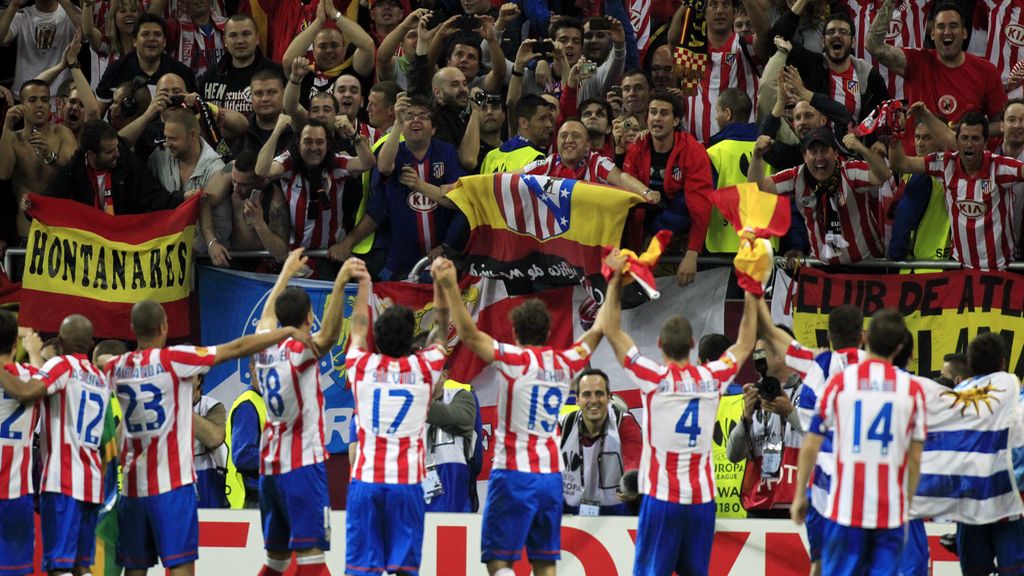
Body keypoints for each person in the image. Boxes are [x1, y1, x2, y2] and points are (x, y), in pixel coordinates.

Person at [101, 300, 304, 576]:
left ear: (133, 329)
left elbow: (99, 365)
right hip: (172, 488)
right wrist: (283, 333)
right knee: (182, 567)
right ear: (164, 327)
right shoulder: (176, 360)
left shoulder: (116, 367)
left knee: (134, 570)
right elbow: (235, 348)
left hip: (133, 491)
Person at [433, 256, 603, 576]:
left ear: (514, 330)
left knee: (498, 559)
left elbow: (468, 335)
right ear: (547, 331)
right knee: (544, 560)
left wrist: (447, 285)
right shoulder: (564, 362)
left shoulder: (512, 358)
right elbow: (600, 329)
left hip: (513, 473)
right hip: (551, 476)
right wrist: (614, 285)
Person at [600, 248, 759, 576]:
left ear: (659, 345)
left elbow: (613, 332)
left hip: (662, 498)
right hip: (701, 500)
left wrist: (614, 279)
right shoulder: (711, 376)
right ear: (692, 345)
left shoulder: (653, 378)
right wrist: (751, 281)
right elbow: (744, 344)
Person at [254, 249, 365, 576]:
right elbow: (330, 336)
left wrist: (285, 273)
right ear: (307, 320)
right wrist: (340, 284)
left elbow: (265, 317)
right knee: (311, 557)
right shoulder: (299, 352)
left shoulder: (262, 346)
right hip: (301, 465)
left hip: (270, 467)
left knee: (275, 560)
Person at [791, 310, 927, 576]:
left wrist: (799, 495)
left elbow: (810, 445)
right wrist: (906, 504)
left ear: (866, 339)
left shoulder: (839, 383)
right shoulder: (912, 389)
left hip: (846, 510)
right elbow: (915, 459)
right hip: (889, 512)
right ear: (899, 347)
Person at [344, 256, 448, 576]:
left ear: (378, 336)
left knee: (362, 569)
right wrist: (442, 286)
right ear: (412, 341)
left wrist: (364, 285)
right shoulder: (423, 368)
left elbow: (359, 326)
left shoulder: (361, 366)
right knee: (405, 570)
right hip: (406, 483)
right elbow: (442, 327)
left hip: (366, 480)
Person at [758, 299, 865, 576]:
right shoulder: (882, 370)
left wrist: (754, 291)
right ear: (863, 336)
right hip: (868, 486)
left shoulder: (819, 365)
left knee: (820, 565)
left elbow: (808, 428)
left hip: (825, 487)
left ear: (829, 336)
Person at [0, 315, 109, 576]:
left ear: (60, 342)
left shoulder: (60, 367)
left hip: (62, 480)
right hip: (91, 483)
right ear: (92, 344)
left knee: (59, 567)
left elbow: (30, 390)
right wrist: (33, 352)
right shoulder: (100, 378)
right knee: (81, 566)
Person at [333, 96, 466, 280]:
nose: (416, 120)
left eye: (423, 116)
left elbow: (460, 201)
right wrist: (397, 121)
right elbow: (384, 169)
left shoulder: (447, 152)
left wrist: (447, 245)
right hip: (399, 263)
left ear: (434, 129)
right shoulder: (393, 152)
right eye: (409, 116)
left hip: (441, 260)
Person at [889, 109, 1024, 270]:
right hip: (960, 270)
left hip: (1000, 269)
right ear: (957, 141)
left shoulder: (1000, 167)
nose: (969, 144)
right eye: (964, 138)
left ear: (985, 143)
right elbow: (900, 164)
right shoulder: (945, 164)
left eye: (975, 138)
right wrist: (894, 138)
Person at [866, 1, 1004, 154]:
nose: (947, 32)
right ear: (932, 34)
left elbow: (1000, 124)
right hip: (916, 166)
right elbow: (873, 45)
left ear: (965, 32)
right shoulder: (916, 61)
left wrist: (969, 130)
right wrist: (891, 2)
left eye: (953, 26)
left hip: (962, 167)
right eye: (941, 27)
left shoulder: (986, 71)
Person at [750, 126, 891, 264]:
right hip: (824, 271)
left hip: (867, 265)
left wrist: (861, 148)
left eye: (824, 151)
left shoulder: (850, 171)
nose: (819, 157)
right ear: (804, 156)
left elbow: (883, 175)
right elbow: (757, 189)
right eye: (813, 152)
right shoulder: (796, 177)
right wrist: (757, 156)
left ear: (835, 153)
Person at [950, 332, 1024, 576]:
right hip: (1009, 503)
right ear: (1003, 361)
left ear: (970, 364)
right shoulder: (1017, 397)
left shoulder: (955, 398)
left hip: (970, 504)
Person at [623, 91, 715, 286]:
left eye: (664, 113)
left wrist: (692, 253)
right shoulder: (637, 148)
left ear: (676, 121)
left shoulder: (693, 151)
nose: (657, 118)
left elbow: (700, 206)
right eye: (653, 112)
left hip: (680, 237)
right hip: (642, 235)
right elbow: (627, 191)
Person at [255, 113, 375, 258]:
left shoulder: (336, 164)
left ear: (327, 145)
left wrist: (352, 133)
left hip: (329, 254)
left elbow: (368, 163)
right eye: (308, 141)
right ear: (298, 143)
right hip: (294, 255)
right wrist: (277, 131)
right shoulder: (289, 162)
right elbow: (261, 170)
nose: (313, 148)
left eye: (319, 142)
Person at [726, 336, 805, 517]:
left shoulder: (808, 391)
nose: (756, 361)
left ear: (780, 355)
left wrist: (789, 412)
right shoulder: (756, 395)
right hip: (759, 502)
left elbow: (822, 442)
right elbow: (733, 455)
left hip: (796, 501)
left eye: (761, 355)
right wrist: (746, 418)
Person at [773, 0, 888, 122]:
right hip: (815, 139)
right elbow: (778, 38)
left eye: (843, 32)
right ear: (823, 41)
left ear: (853, 42)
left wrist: (878, 141)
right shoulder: (811, 64)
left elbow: (886, 114)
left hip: (855, 140)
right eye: (831, 32)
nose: (836, 35)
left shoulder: (867, 75)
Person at [558, 368, 642, 516]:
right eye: (586, 394)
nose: (593, 400)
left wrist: (630, 484)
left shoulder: (624, 423)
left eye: (599, 393)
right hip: (572, 509)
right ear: (577, 400)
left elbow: (633, 458)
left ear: (609, 397)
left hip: (616, 510)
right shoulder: (564, 425)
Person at [1, 80, 78, 241]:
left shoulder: (63, 134)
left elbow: (76, 173)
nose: (40, 105)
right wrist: (7, 127)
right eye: (32, 100)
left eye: (44, 100)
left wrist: (49, 156)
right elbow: (4, 173)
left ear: (50, 106)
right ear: (21, 106)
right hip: (27, 231)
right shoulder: (13, 139)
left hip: (60, 230)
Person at [149, 108, 228, 259]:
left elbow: (216, 218)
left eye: (173, 139)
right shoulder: (158, 158)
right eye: (166, 137)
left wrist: (206, 244)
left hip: (206, 258)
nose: (167, 144)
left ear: (192, 135)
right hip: (166, 254)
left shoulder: (216, 169)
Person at [521, 119, 658, 205]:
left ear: (587, 145)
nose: (568, 140)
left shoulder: (596, 162)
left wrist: (645, 192)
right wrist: (498, 179)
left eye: (576, 136)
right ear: (557, 143)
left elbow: (621, 178)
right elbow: (512, 178)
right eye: (563, 136)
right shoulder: (548, 164)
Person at [0, 311, 42, 576]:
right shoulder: (31, 377)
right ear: (15, 345)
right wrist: (34, 351)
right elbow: (43, 377)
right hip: (16, 492)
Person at [95, 13, 198, 111]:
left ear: (165, 42)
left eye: (157, 34)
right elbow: (97, 116)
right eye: (145, 34)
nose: (152, 38)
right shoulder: (116, 70)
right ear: (135, 41)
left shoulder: (182, 73)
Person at [706, 88, 766, 253]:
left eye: (717, 111)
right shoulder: (769, 148)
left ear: (727, 113)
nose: (715, 116)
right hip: (764, 246)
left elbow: (701, 201)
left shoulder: (714, 153)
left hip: (723, 248)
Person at [887, 113, 953, 263]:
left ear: (944, 142)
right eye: (917, 137)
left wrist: (895, 255)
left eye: (927, 138)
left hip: (920, 267)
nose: (920, 143)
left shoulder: (922, 176)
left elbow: (903, 220)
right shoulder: (953, 172)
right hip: (946, 262)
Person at [199, 13, 284, 114]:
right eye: (233, 35)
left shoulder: (276, 73)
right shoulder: (211, 76)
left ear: (257, 38)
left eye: (246, 34)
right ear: (224, 40)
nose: (240, 41)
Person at [424, 375, 480, 513]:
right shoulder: (405, 400)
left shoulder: (462, 394)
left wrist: (414, 401)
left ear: (444, 375)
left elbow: (458, 419)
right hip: (415, 495)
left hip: (455, 501)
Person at [0, 0, 78, 97]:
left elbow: (88, 34)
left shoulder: (70, 13)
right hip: (24, 96)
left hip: (60, 99)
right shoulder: (22, 15)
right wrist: (13, 5)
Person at [224, 358, 266, 509]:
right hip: (252, 497)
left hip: (267, 492)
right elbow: (244, 456)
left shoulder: (268, 402)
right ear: (252, 368)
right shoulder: (247, 405)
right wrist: (279, 456)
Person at [479, 94, 553, 174]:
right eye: (542, 119)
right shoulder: (536, 159)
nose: (549, 124)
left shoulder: (490, 156)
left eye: (549, 118)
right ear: (523, 123)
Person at [192, 374, 228, 509]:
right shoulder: (163, 406)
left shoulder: (212, 406)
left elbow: (214, 438)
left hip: (205, 475)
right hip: (172, 476)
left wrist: (180, 406)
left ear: (199, 380)